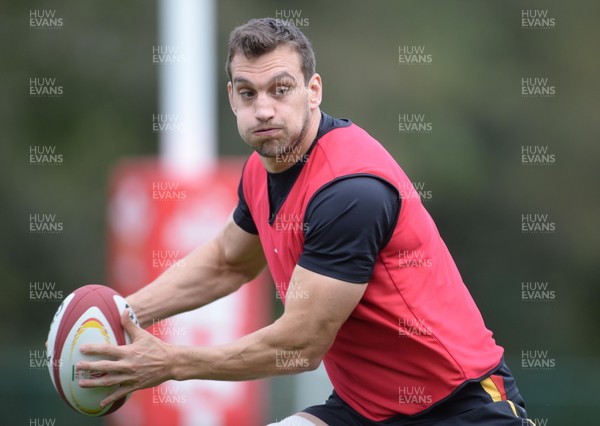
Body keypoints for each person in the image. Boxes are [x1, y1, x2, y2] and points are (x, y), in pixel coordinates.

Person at [77, 18, 534, 425]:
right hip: (364, 409)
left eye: (281, 89)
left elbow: (300, 344)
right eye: (247, 93)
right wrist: (121, 314)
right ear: (232, 98)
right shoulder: (260, 168)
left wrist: (171, 363)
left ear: (313, 90)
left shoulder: (350, 191)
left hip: (458, 407)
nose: (264, 110)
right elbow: (227, 263)